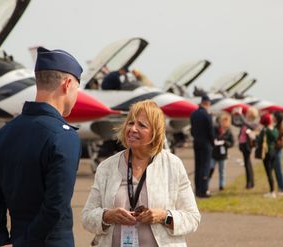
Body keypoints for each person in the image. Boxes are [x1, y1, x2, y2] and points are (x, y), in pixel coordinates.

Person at [0, 47, 83, 247]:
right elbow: (55, 206)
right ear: (67, 84)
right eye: (77, 89)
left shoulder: (2, 134)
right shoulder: (64, 136)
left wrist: (1, 241)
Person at [82, 100, 200, 246]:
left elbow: (193, 218)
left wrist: (164, 216)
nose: (133, 129)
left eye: (141, 125)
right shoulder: (106, 167)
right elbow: (87, 217)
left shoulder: (173, 165)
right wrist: (107, 216)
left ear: (155, 132)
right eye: (130, 123)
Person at [190, 94, 214, 197]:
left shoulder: (193, 114)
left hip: (196, 143)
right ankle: (204, 190)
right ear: (207, 103)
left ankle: (197, 189)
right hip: (206, 144)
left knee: (198, 166)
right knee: (205, 167)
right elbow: (211, 132)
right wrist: (213, 143)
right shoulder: (207, 115)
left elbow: (192, 130)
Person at [209, 113, 234, 191]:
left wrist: (225, 142)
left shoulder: (229, 131)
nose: (223, 125)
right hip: (214, 153)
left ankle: (221, 185)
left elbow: (232, 143)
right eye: (222, 122)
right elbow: (212, 137)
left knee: (222, 171)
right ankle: (206, 184)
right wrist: (216, 140)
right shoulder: (215, 128)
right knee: (210, 169)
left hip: (223, 155)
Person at [257, 112, 279, 198]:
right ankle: (274, 189)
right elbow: (276, 136)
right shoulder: (274, 129)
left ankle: (272, 191)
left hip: (266, 153)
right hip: (273, 152)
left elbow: (259, 140)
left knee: (269, 173)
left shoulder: (265, 130)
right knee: (272, 171)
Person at [237, 107, 259, 189]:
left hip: (247, 146)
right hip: (243, 145)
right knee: (247, 163)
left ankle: (250, 183)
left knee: (247, 163)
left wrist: (240, 114)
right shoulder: (245, 122)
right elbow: (235, 123)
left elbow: (246, 123)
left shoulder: (253, 123)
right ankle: (250, 183)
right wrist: (233, 115)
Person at [273, 111, 283, 196]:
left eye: (274, 117)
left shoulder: (280, 127)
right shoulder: (277, 126)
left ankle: (282, 188)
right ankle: (279, 188)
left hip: (278, 150)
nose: (272, 118)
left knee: (279, 170)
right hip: (276, 150)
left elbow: (276, 137)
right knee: (276, 170)